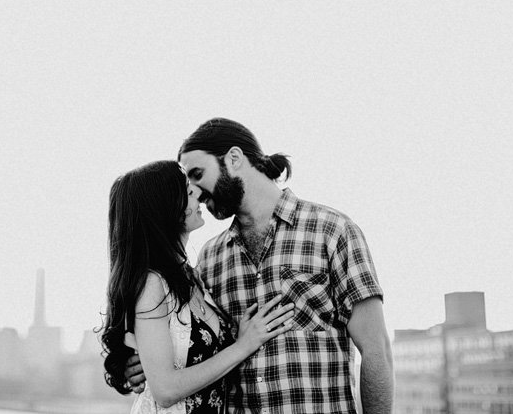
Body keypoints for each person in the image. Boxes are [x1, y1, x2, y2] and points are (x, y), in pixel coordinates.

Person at [125, 119, 394, 414]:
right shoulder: (210, 258)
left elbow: (376, 350)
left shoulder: (332, 231)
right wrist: (148, 364)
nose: (196, 192)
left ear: (234, 158)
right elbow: (196, 349)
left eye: (198, 174)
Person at [100, 160, 295, 413]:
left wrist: (240, 338)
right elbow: (165, 391)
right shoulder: (151, 284)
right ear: (166, 209)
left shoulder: (193, 276)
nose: (199, 196)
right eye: (189, 193)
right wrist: (244, 345)